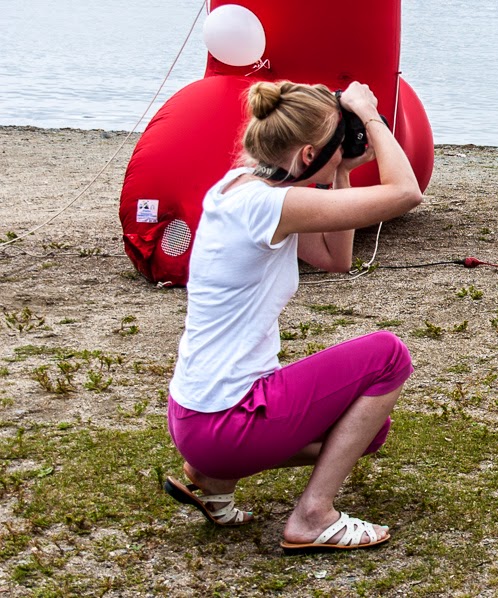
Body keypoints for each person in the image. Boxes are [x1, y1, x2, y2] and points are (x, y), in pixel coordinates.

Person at [162, 80, 423, 551]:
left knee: (368, 431)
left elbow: (335, 259)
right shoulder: (269, 204)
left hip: (194, 417)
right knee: (388, 355)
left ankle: (213, 476)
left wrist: (339, 169)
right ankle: (311, 516)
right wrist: (369, 116)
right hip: (227, 418)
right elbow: (407, 193)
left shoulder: (237, 188)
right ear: (306, 156)